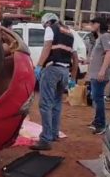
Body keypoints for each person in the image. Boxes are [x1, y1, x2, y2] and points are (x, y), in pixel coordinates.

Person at [31, 13, 79, 151]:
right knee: (57, 103)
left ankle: (45, 139)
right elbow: (75, 58)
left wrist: (39, 65)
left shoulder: (50, 28)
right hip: (64, 72)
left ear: (47, 22)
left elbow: (47, 47)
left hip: (52, 69)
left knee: (45, 104)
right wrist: (73, 79)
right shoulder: (70, 33)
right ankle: (54, 133)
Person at [87, 17, 110, 134]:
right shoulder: (99, 38)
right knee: (95, 98)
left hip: (100, 74)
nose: (91, 25)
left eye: (93, 23)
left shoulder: (105, 36)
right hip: (95, 73)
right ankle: (97, 121)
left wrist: (102, 71)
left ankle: (101, 124)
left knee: (98, 98)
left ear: (99, 24)